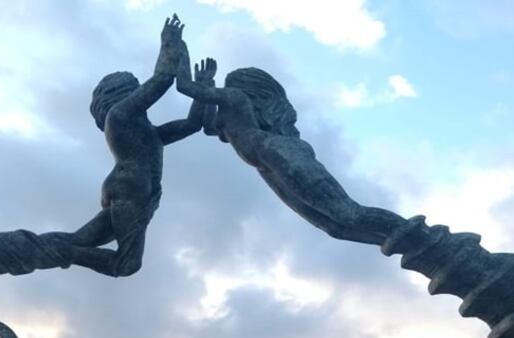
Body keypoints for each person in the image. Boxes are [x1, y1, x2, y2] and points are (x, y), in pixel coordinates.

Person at [174, 47, 405, 249]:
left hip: (278, 152)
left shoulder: (235, 97)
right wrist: (206, 84)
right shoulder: (227, 114)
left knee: (347, 213)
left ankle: (414, 234)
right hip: (266, 165)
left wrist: (176, 49)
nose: (224, 87)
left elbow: (184, 86)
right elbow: (205, 126)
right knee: (335, 228)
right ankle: (399, 242)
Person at [65, 14, 212, 277]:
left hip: (137, 192)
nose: (138, 95)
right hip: (130, 188)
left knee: (81, 240)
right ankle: (62, 253)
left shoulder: (149, 134)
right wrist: (169, 43)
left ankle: (49, 249)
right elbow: (162, 79)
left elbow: (192, 124)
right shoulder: (119, 116)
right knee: (127, 264)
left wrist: (204, 87)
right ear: (121, 93)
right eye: (133, 90)